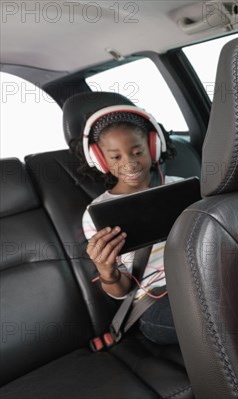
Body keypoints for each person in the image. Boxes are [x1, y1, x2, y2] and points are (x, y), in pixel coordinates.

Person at [73, 104, 180, 345]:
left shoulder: (180, 186)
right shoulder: (96, 214)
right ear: (100, 160)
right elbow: (121, 291)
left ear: (153, 147)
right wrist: (106, 270)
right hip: (154, 302)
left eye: (137, 151)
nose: (129, 163)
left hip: (201, 277)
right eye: (115, 156)